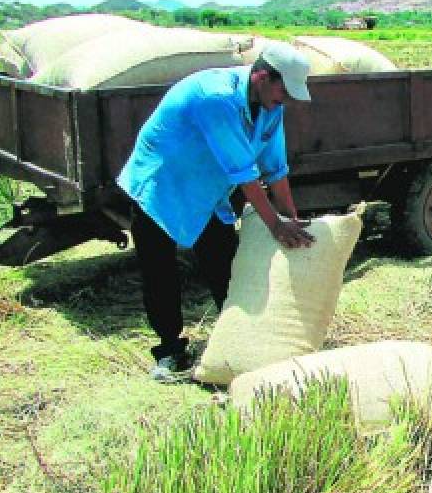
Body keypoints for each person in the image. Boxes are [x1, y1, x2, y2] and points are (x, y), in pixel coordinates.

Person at [117, 41, 316, 382]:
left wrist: (291, 220)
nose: (286, 100)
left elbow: (276, 169)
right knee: (160, 271)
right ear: (262, 77)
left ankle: (236, 344)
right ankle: (170, 351)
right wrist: (275, 226)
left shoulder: (271, 105)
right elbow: (244, 174)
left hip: (206, 190)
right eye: (284, 91)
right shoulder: (216, 98)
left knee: (226, 266)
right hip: (162, 185)